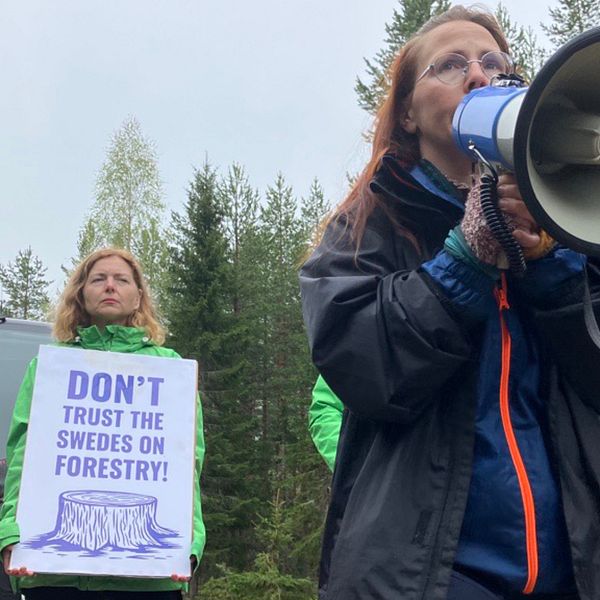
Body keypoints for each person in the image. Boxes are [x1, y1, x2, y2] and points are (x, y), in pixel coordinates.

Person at [300, 5, 600, 600]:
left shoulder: (575, 225)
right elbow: (365, 367)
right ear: (407, 113)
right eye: (450, 64)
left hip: (574, 565)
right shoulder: (367, 229)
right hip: (429, 573)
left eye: (495, 63)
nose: (479, 75)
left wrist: (551, 271)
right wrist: (463, 261)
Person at [0, 248, 205, 600]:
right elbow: (23, 452)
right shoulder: (51, 367)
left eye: (121, 279)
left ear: (138, 296)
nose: (110, 286)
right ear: (80, 292)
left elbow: (186, 461)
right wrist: (10, 532)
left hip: (147, 580)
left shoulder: (169, 368)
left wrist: (189, 539)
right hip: (54, 577)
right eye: (99, 279)